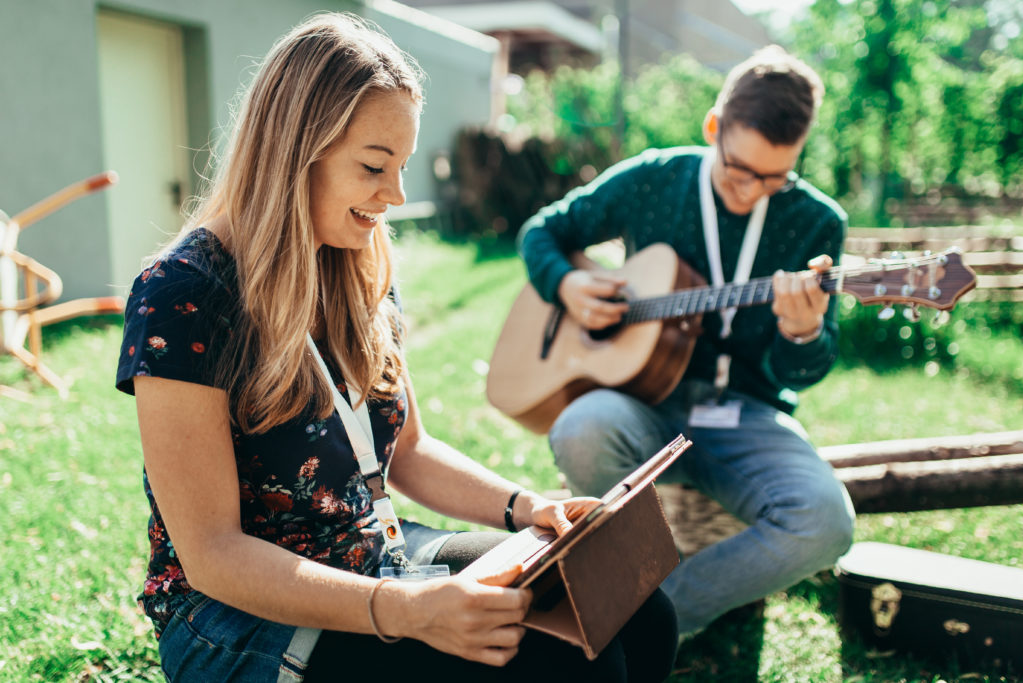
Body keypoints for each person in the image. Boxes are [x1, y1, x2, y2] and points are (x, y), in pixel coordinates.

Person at [115, 13, 677, 683]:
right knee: (563, 663)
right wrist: (406, 609)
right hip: (238, 618)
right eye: (375, 166)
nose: (397, 195)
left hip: (371, 556)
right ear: (296, 150)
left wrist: (529, 506)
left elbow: (407, 451)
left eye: (404, 165)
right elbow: (211, 553)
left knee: (637, 610)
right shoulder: (183, 292)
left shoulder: (358, 265)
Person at [517, 45, 856, 638]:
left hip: (747, 413)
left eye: (775, 177)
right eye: (740, 169)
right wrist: (568, 284)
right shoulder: (654, 179)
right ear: (713, 128)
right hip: (643, 402)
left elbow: (802, 370)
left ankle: (652, 616)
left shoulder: (815, 221)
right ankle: (631, 602)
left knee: (827, 523)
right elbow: (543, 231)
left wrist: (802, 331)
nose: (753, 191)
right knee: (578, 426)